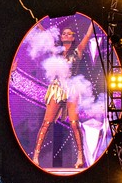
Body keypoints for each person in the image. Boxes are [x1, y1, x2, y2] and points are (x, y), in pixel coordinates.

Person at [31, 18, 96, 169]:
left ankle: (80, 157)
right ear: (61, 37)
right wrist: (36, 22)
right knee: (46, 123)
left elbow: (87, 35)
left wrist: (94, 21)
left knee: (74, 123)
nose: (66, 35)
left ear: (73, 38)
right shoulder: (56, 50)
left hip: (72, 87)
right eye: (64, 33)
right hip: (57, 87)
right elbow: (46, 35)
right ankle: (36, 156)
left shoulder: (78, 51)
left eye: (69, 34)